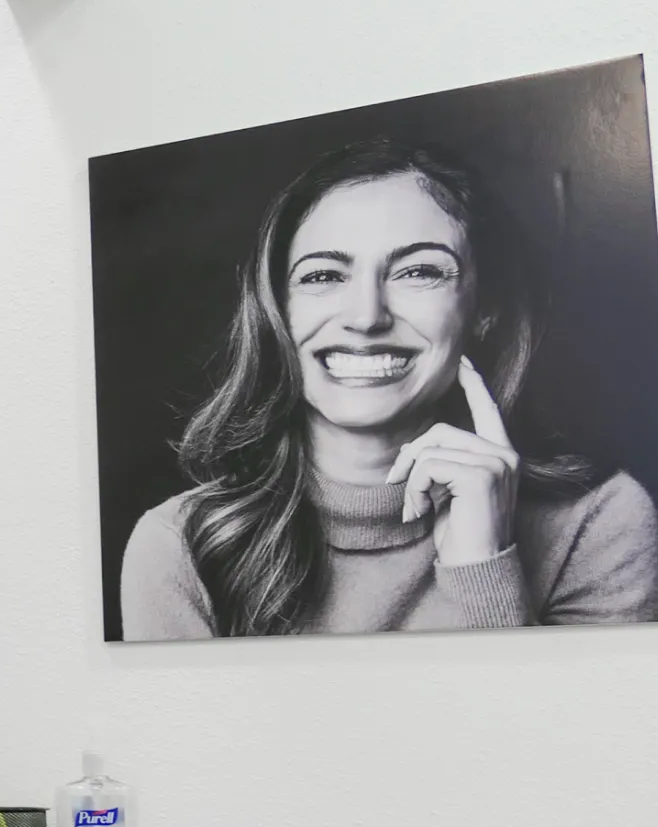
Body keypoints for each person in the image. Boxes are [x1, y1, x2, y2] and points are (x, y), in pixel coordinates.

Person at [120, 137, 658, 639]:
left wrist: (482, 570)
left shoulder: (601, 522)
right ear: (278, 310)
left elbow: (561, 737)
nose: (366, 317)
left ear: (484, 309)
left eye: (418, 271)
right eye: (324, 276)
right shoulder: (181, 546)